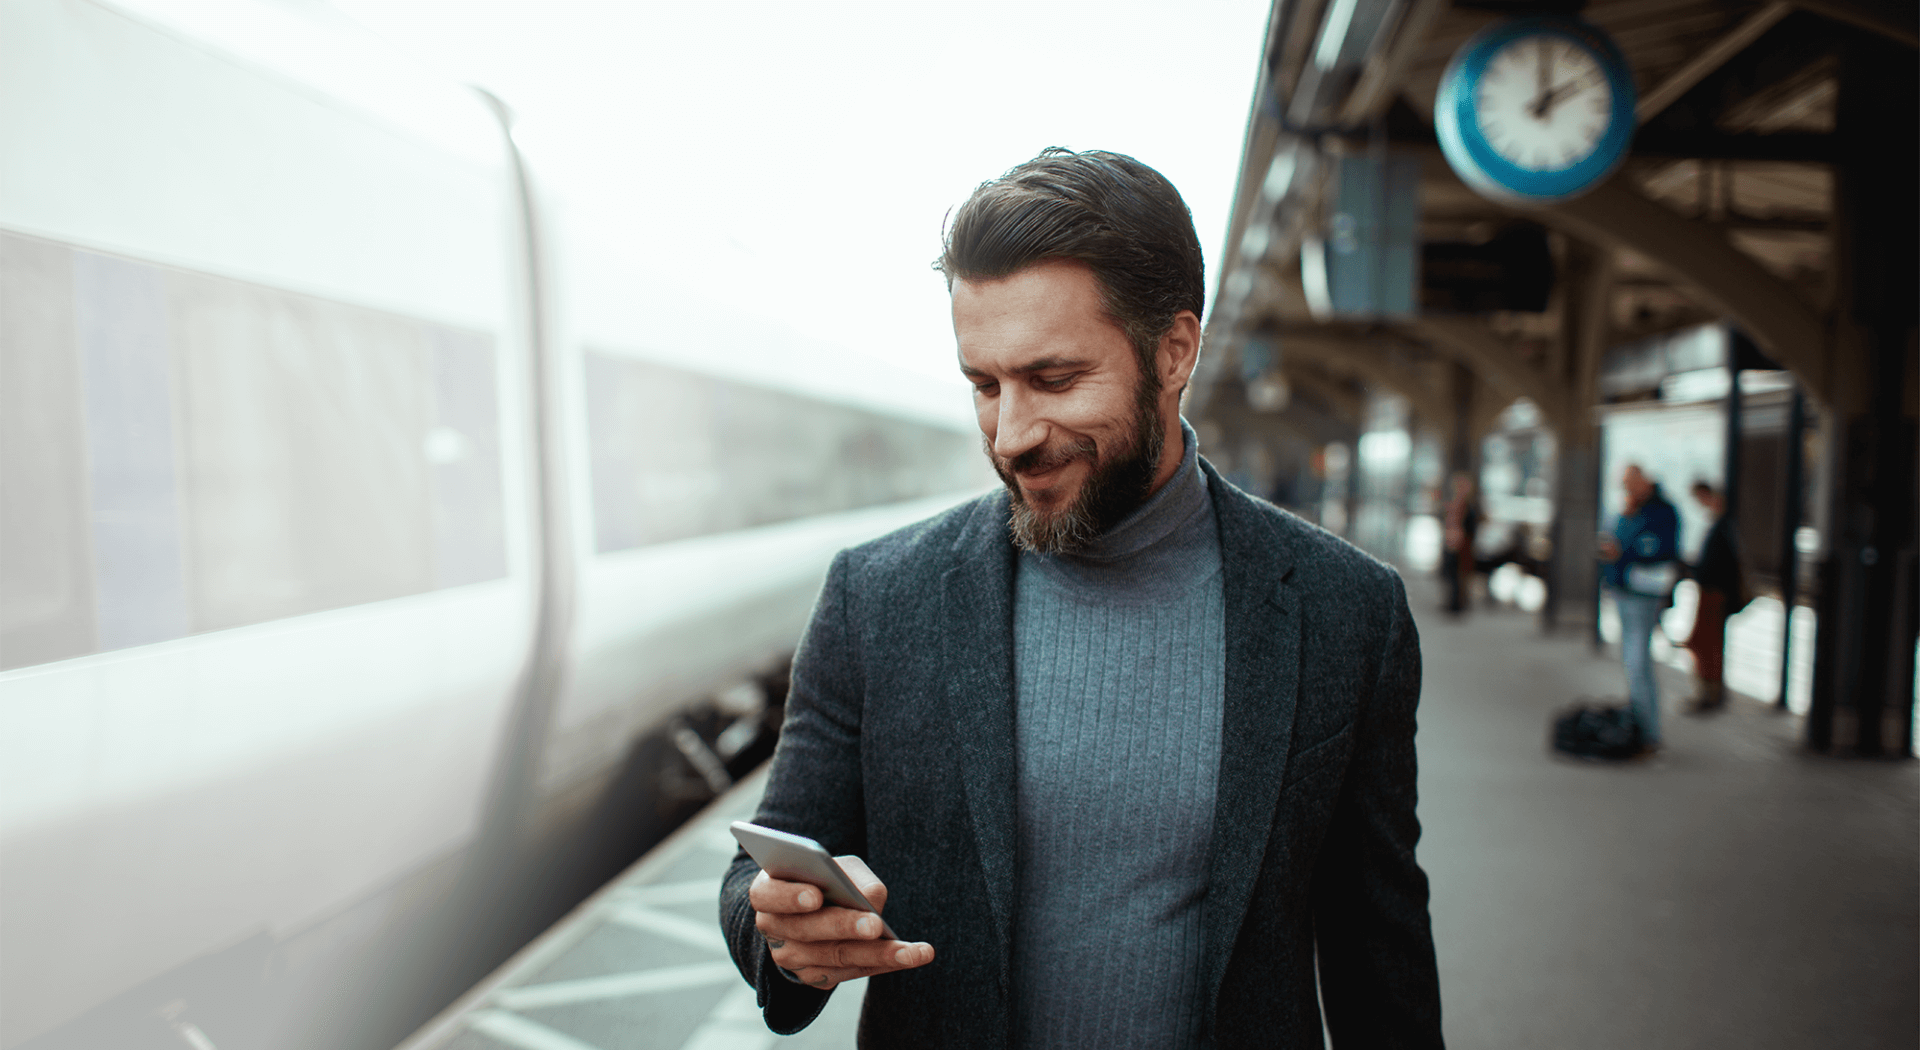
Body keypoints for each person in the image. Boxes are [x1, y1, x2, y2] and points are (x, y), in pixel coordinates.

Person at [719, 148, 1442, 1049]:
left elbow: (1382, 950)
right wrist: (784, 933)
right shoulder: (876, 597)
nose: (1013, 434)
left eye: (1055, 380)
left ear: (1174, 351)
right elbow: (765, 863)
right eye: (985, 386)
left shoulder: (1347, 613)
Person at [1598, 464, 1681, 753]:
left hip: (1642, 592)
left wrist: (1623, 550)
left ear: (1643, 481)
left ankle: (1647, 730)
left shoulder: (1660, 511)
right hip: (1624, 589)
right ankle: (1640, 723)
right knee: (1633, 660)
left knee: (1637, 660)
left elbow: (1657, 548)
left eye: (1630, 484)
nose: (1628, 490)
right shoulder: (1630, 510)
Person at [1685, 481, 1740, 711]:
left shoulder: (1723, 527)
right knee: (1702, 643)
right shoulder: (1718, 526)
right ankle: (1707, 691)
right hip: (1709, 591)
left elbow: (1722, 565)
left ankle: (1711, 693)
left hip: (1715, 593)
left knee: (1707, 645)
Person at [1441, 472, 1481, 614]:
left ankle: (1458, 604)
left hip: (1463, 545)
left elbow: (1470, 527)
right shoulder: (1456, 504)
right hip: (1454, 543)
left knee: (1460, 575)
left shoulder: (1468, 507)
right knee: (1451, 574)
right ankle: (1453, 602)